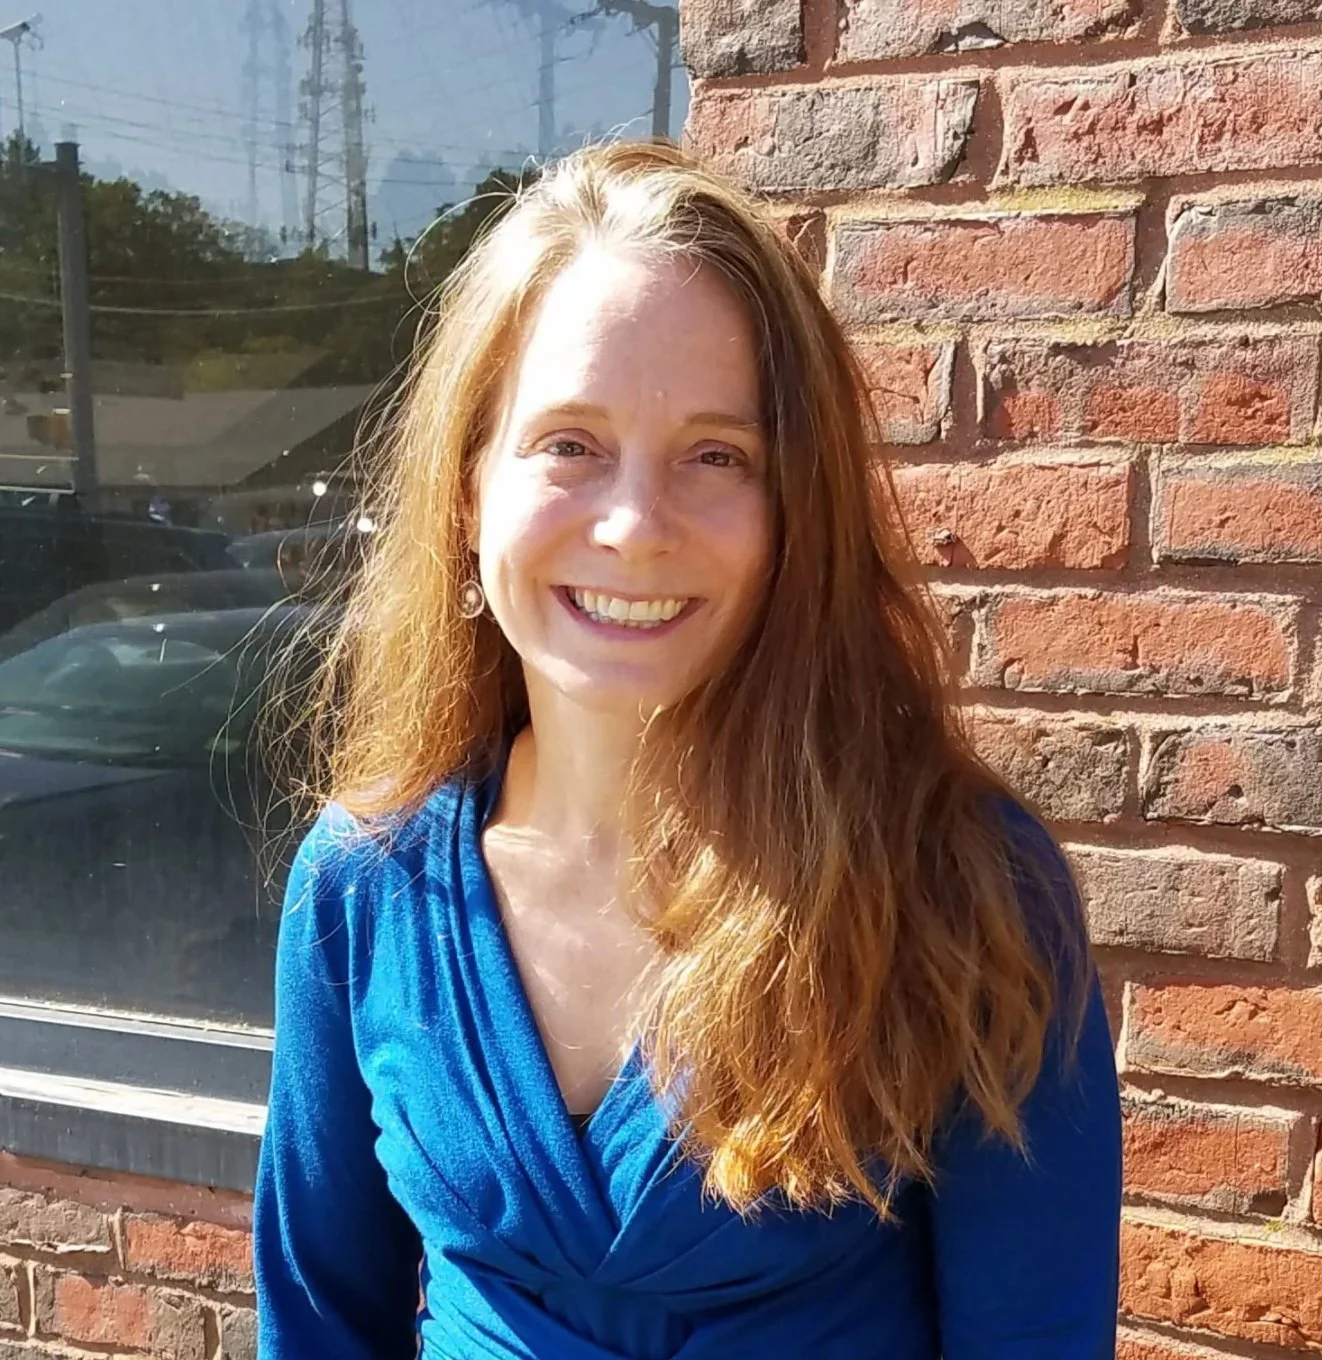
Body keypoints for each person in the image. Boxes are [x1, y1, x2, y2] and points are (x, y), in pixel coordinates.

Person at [253, 140, 1122, 1360]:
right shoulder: (363, 883)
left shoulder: (967, 888)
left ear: (792, 511)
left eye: (717, 455)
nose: (633, 526)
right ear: (467, 490)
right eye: (569, 442)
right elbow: (316, 1324)